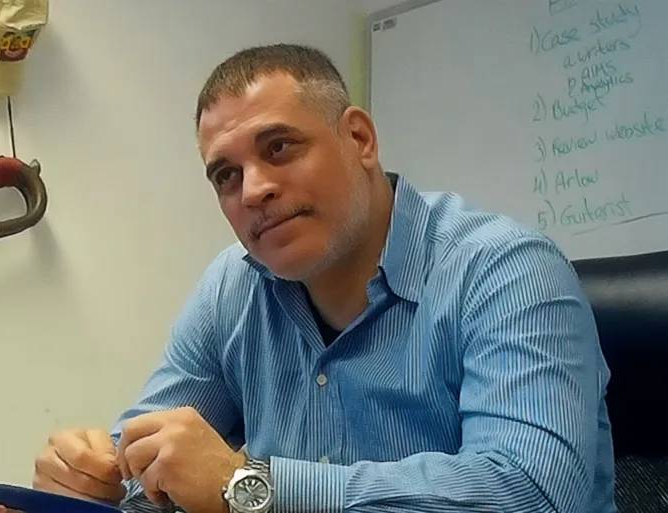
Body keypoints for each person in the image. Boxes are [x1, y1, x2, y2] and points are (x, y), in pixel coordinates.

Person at [30, 44, 616, 513]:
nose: (253, 190)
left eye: (279, 147)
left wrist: (248, 487)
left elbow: (529, 492)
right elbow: (151, 464)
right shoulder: (233, 287)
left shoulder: (507, 270)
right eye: (226, 175)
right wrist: (94, 478)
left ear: (359, 139)